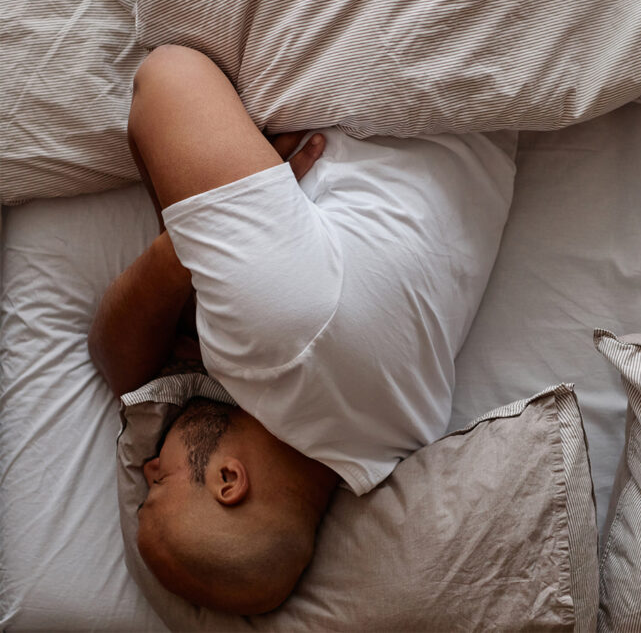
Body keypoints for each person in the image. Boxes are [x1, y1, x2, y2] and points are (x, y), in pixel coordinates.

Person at [89, 45, 516, 614]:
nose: (146, 468)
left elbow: (119, 366)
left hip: (486, 85)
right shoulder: (273, 345)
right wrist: (202, 234)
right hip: (402, 55)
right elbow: (164, 75)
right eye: (158, 490)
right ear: (229, 483)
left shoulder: (393, 437)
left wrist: (201, 240)